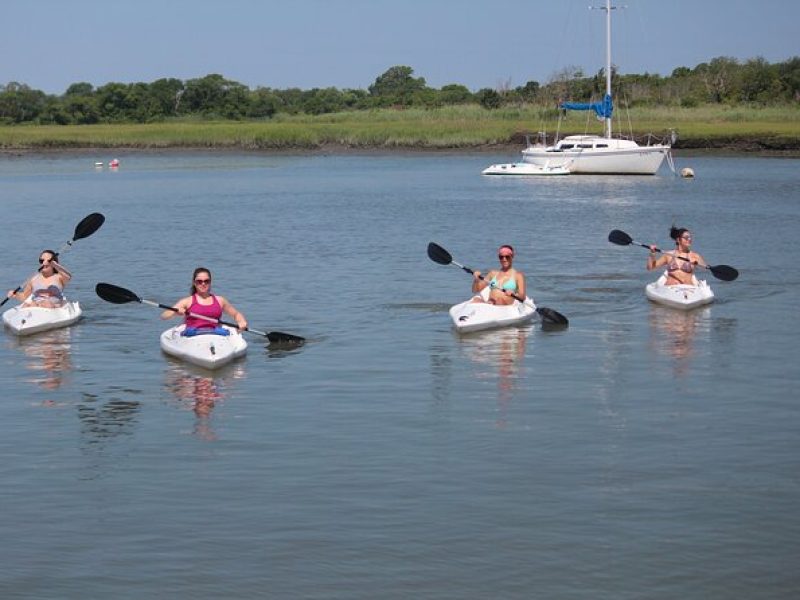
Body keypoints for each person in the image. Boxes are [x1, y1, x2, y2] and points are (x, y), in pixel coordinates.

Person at [161, 267, 248, 334]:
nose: (203, 284)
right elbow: (164, 316)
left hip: (215, 335)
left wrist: (241, 321)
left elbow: (236, 314)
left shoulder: (220, 300)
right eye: (199, 281)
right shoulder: (187, 301)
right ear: (194, 283)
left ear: (210, 282)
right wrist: (175, 312)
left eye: (206, 281)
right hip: (193, 335)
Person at [6, 250, 72, 308]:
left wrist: (55, 265)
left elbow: (69, 277)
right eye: (41, 260)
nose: (44, 263)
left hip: (54, 306)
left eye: (48, 261)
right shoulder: (33, 278)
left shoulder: (59, 277)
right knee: (29, 304)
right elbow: (25, 296)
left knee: (47, 304)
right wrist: (15, 295)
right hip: (36, 305)